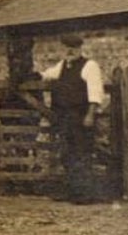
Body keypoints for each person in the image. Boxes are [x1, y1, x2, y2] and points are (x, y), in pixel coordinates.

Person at [38, 34, 105, 203]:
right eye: (66, 48)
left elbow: (95, 92)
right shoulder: (62, 66)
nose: (70, 51)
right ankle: (72, 192)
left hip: (81, 116)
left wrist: (90, 115)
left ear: (80, 48)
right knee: (67, 154)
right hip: (65, 117)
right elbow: (47, 75)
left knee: (82, 154)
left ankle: (85, 195)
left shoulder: (90, 66)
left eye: (73, 48)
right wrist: (34, 75)